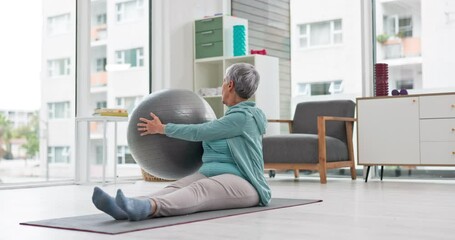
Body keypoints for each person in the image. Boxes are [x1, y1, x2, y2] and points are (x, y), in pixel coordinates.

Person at [91, 63, 271, 221]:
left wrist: (162, 128)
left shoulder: (243, 118)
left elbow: (200, 131)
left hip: (246, 184)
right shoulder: (231, 119)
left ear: (230, 84)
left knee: (201, 189)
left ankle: (148, 208)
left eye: (223, 81)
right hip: (212, 174)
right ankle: (124, 208)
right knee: (177, 186)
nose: (222, 85)